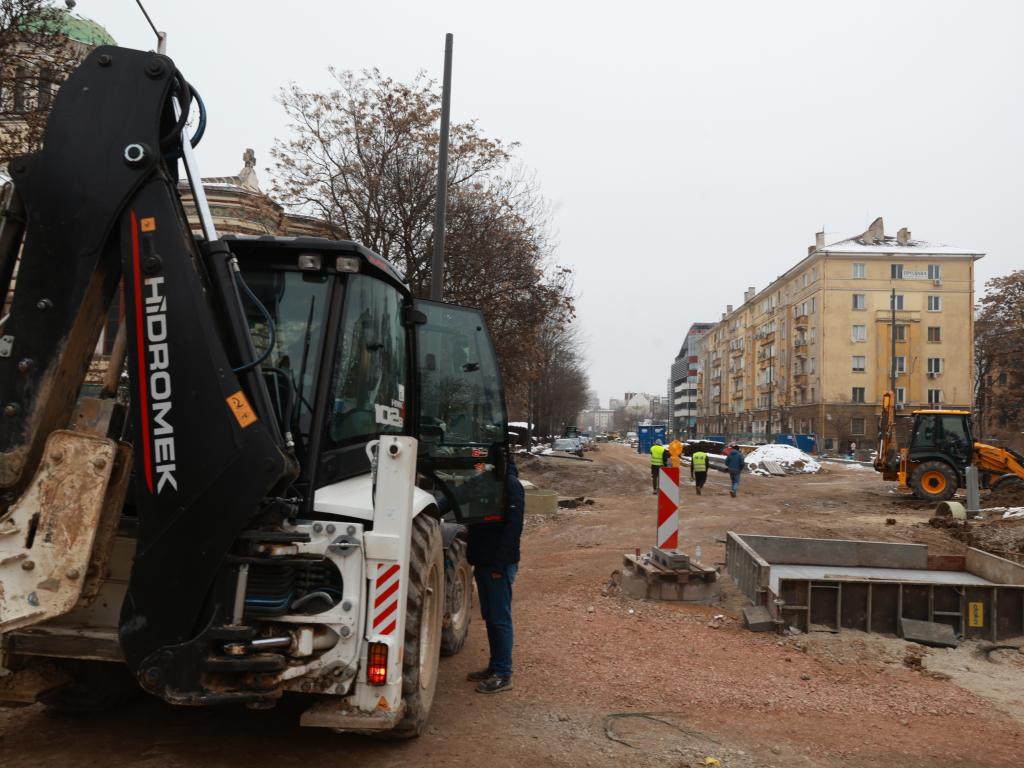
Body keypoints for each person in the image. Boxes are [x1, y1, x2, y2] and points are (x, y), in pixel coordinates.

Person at [465, 456, 524, 694]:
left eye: (485, 461)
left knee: (500, 617)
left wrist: (500, 564)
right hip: (482, 561)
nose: (481, 465)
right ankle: (495, 665)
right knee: (490, 616)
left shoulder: (510, 484)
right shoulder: (486, 481)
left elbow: (514, 528)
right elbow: (456, 495)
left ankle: (503, 673)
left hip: (498, 564)